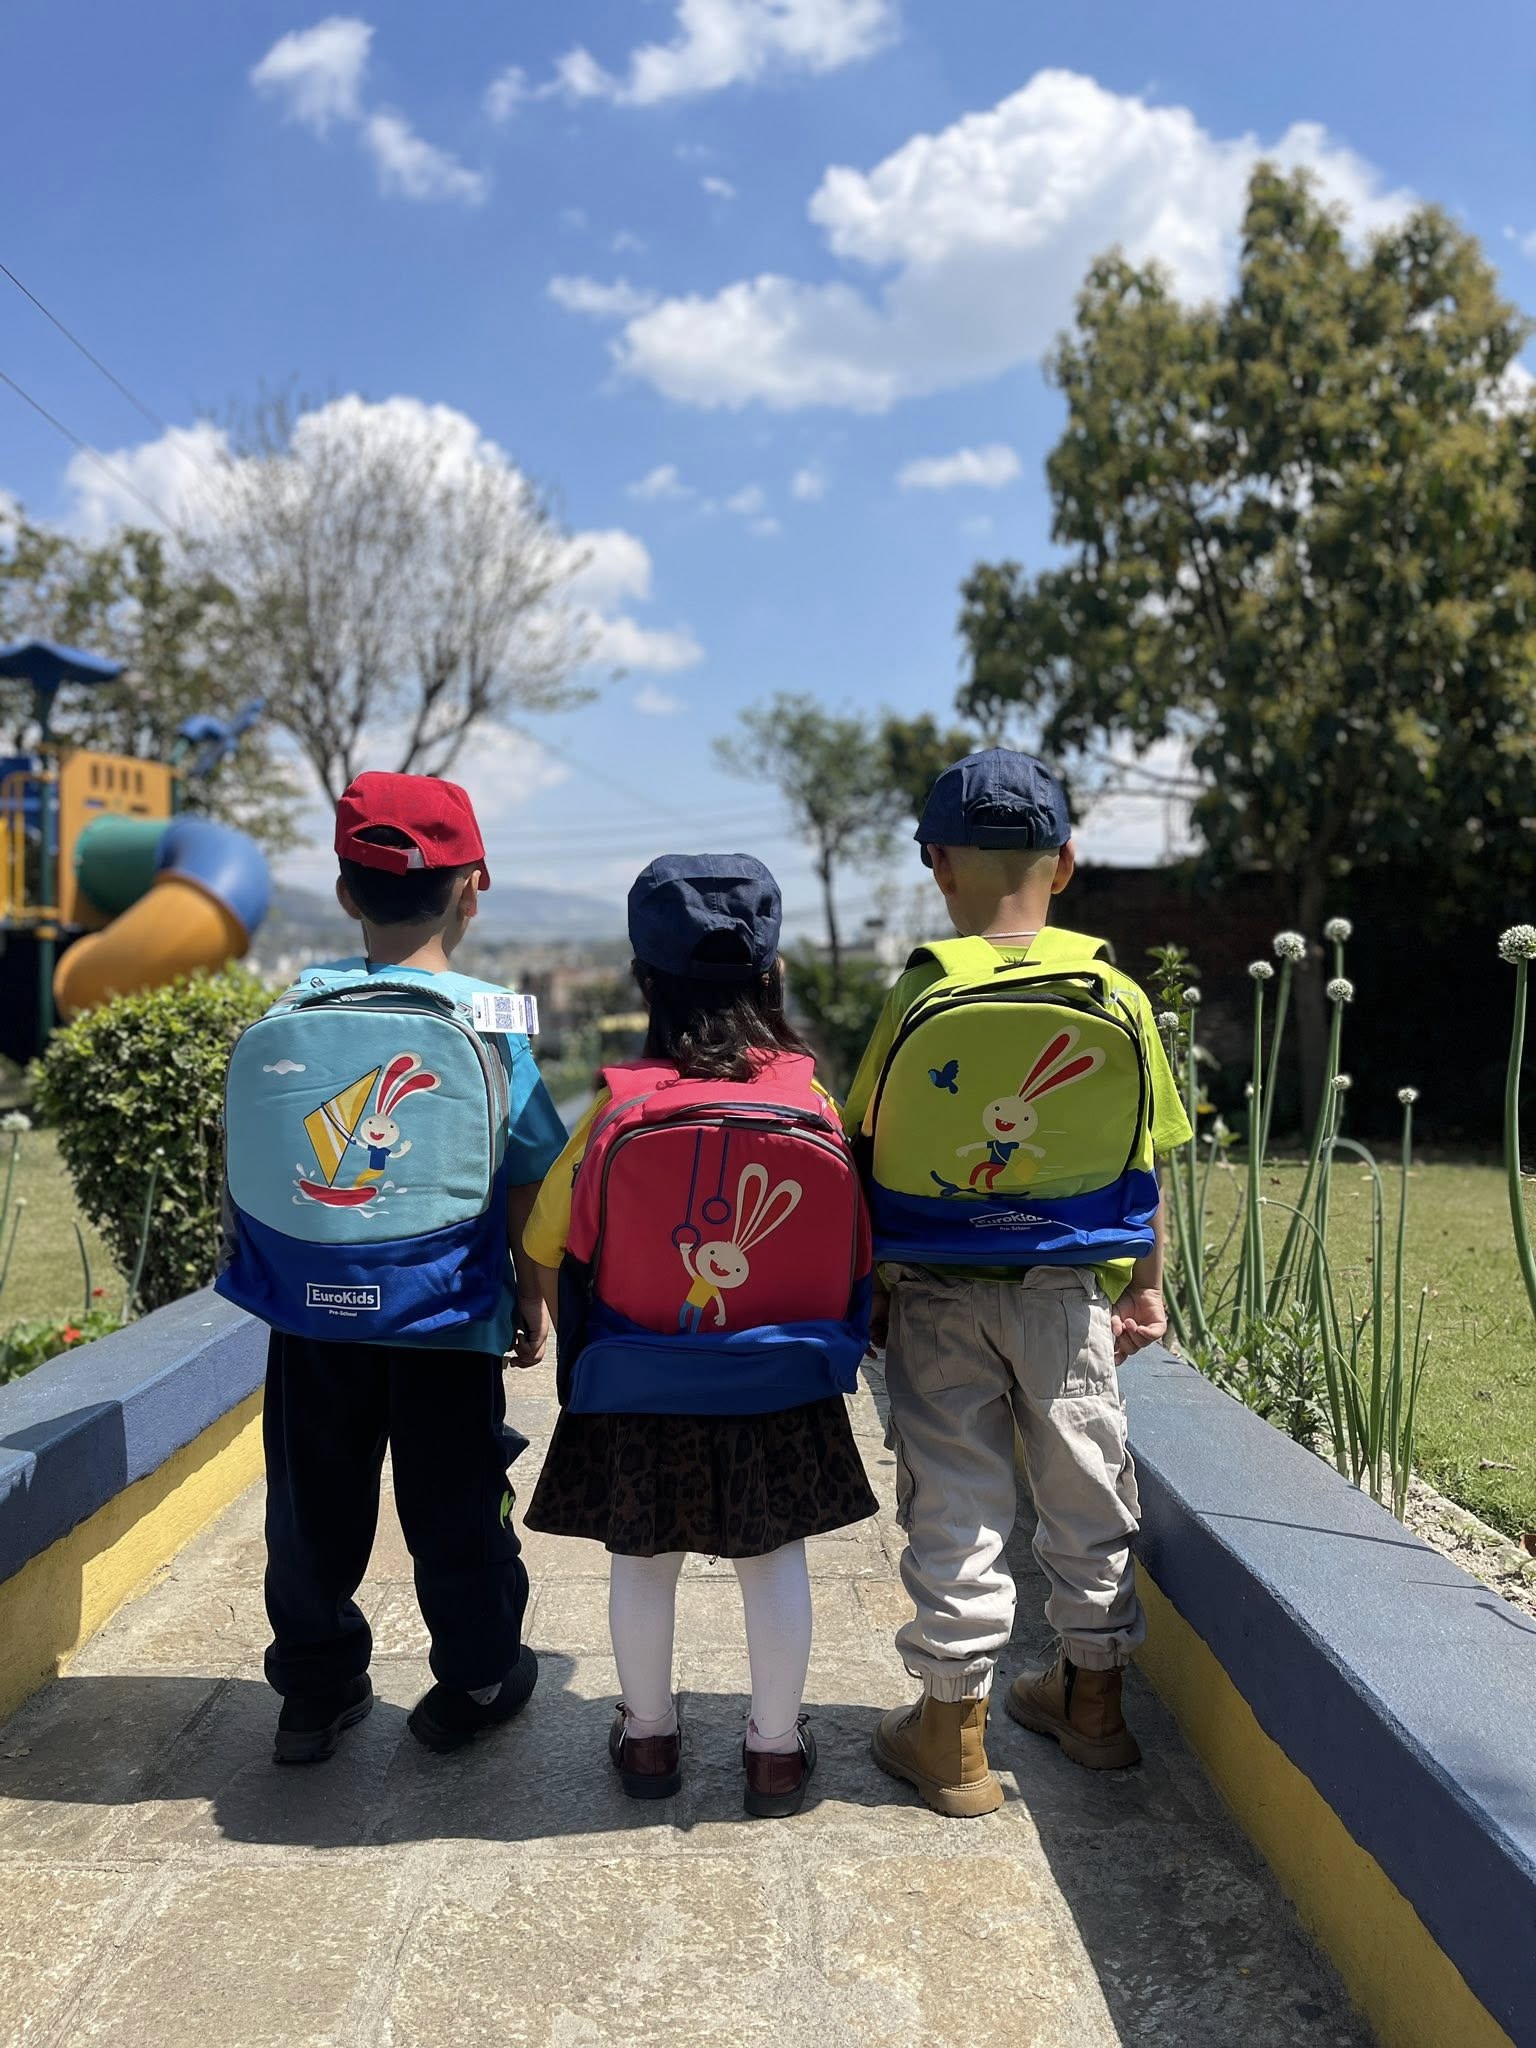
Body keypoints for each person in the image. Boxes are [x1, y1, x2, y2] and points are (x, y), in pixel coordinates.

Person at [844, 749, 1192, 1816]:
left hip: (939, 1292)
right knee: (1086, 1486)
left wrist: (875, 1285)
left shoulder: (919, 990)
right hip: (1067, 1292)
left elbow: (865, 1148)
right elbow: (1151, 1156)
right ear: (1069, 861)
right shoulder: (1116, 992)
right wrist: (1143, 1285)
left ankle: (951, 1732)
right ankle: (1092, 1704)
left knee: (954, 1496)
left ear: (937, 865)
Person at [521, 854, 878, 1818]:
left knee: (643, 1561)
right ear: (773, 979)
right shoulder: (813, 1108)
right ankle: (772, 1752)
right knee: (776, 1560)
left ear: (647, 982)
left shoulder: (618, 1109)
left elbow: (549, 1237)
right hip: (780, 1381)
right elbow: (855, 1255)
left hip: (642, 1379)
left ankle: (646, 1740)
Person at [250, 772, 568, 1764]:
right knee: (456, 1499)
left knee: (311, 1501)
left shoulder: (295, 1001)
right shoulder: (499, 1014)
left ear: (346, 893)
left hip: (312, 1310)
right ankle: (474, 1676)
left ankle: (314, 1690)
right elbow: (528, 1172)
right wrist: (532, 1295)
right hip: (448, 1312)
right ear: (473, 886)